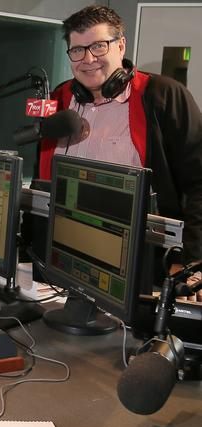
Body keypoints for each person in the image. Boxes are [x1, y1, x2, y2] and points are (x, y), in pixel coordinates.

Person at [39, 5, 202, 287]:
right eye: (77, 50)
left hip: (142, 263)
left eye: (99, 46)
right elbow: (44, 179)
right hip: (67, 256)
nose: (88, 59)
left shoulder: (164, 95)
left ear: (121, 45)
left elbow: (199, 182)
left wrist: (191, 262)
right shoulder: (60, 98)